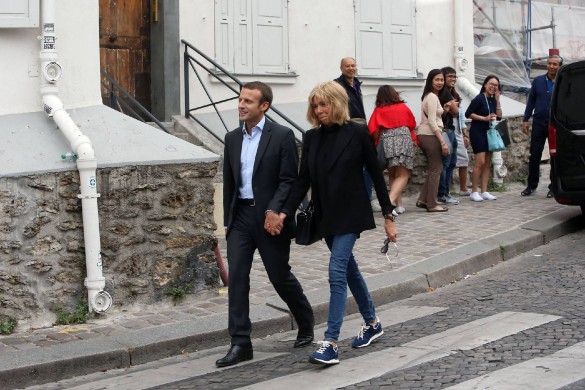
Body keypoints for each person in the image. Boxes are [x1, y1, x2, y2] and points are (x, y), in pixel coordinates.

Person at [279, 81, 397, 365]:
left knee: (336, 271)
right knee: (350, 270)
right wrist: (283, 211)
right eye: (315, 105)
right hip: (325, 215)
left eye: (324, 104)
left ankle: (330, 341)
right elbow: (302, 180)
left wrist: (388, 215)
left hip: (351, 213)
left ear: (337, 103)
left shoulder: (357, 132)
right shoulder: (311, 138)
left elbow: (376, 174)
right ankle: (372, 323)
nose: (319, 110)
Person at [217, 81, 315, 368]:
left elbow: (289, 179)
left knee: (278, 274)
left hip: (269, 218)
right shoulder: (232, 138)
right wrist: (227, 222)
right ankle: (240, 342)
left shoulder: (281, 135)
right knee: (237, 277)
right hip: (241, 218)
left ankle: (305, 320)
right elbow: (230, 183)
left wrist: (276, 210)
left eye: (248, 101)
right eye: (240, 99)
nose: (241, 105)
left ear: (264, 106)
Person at [335, 57, 381, 212]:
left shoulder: (357, 84)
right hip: (348, 126)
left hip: (362, 125)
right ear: (341, 68)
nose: (351, 68)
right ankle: (351, 200)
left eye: (353, 65)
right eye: (347, 66)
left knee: (369, 163)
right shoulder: (337, 85)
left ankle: (366, 198)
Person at [368, 85, 417, 214]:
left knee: (393, 174)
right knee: (403, 174)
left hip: (387, 141)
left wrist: (377, 142)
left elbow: (372, 129)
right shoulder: (403, 107)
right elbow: (412, 124)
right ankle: (389, 203)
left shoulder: (379, 110)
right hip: (403, 140)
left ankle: (398, 205)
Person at [521, 55, 562, 198]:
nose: (551, 66)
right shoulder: (538, 81)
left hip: (555, 124)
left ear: (559, 66)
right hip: (539, 123)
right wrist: (526, 119)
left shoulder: (562, 81)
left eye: (555, 64)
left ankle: (553, 186)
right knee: (534, 156)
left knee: (555, 156)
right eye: (550, 63)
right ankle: (531, 185)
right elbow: (531, 101)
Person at [416, 69, 451, 212]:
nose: (440, 82)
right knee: (436, 169)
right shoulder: (431, 96)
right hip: (429, 135)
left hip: (427, 134)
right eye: (437, 80)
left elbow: (435, 117)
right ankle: (432, 204)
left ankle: (423, 200)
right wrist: (442, 141)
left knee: (434, 169)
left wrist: (445, 110)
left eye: (442, 80)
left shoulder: (431, 96)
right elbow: (431, 121)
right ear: (430, 81)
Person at [465, 75, 503, 202]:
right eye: (491, 84)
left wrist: (498, 101)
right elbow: (468, 113)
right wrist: (483, 118)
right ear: (485, 85)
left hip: (490, 133)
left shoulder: (493, 100)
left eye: (496, 85)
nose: (493, 87)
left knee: (487, 162)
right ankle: (474, 191)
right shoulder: (479, 98)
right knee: (480, 162)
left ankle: (485, 190)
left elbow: (499, 117)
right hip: (478, 132)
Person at [437, 67, 461, 205]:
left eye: (455, 77)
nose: (453, 79)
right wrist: (453, 105)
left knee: (450, 163)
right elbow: (456, 111)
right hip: (445, 131)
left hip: (450, 129)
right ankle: (443, 194)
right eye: (450, 76)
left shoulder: (449, 92)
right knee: (446, 164)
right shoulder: (445, 93)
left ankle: (445, 192)